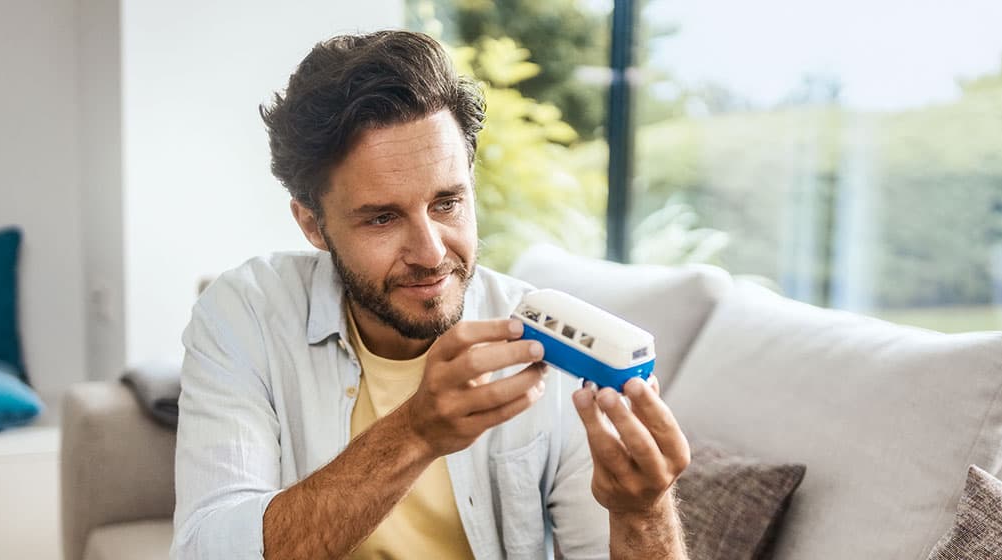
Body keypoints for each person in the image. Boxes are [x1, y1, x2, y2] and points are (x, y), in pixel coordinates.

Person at [171, 30, 690, 560]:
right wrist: (415, 432)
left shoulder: (550, 346)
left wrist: (642, 511)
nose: (429, 252)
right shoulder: (247, 313)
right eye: (382, 217)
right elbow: (206, 550)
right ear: (313, 224)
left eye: (447, 204)